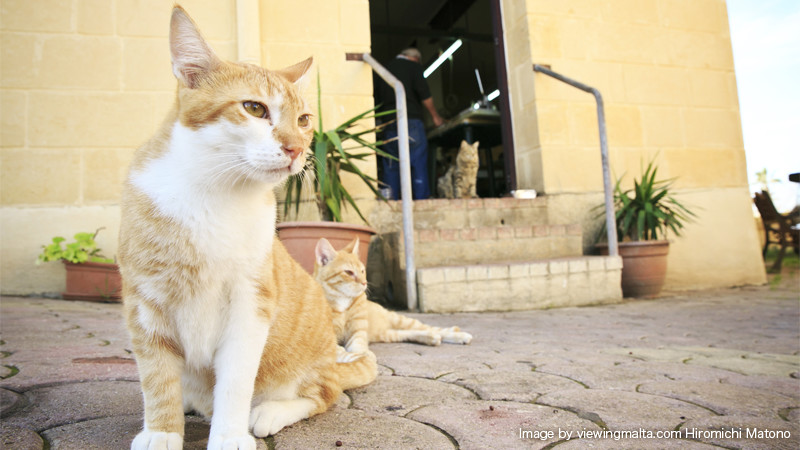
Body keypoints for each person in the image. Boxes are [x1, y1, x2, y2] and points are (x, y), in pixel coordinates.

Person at [376, 48, 444, 200]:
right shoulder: (414, 67)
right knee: (417, 161)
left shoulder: (383, 69)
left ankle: (391, 203)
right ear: (415, 59)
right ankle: (421, 202)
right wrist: (435, 116)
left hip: (388, 123)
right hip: (410, 121)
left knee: (391, 164)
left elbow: (377, 97)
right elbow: (424, 94)